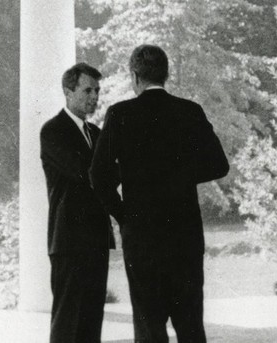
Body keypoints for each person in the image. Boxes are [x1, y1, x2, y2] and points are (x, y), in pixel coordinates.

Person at [90, 45, 229, 343]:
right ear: (166, 74)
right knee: (190, 325)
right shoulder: (190, 111)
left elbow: (98, 175)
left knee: (149, 327)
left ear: (134, 77)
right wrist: (180, 175)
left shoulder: (120, 114)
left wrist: (123, 215)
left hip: (142, 236)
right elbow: (219, 165)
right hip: (185, 235)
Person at [40, 62, 116, 343]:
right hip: (69, 242)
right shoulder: (53, 131)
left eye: (97, 90)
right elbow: (86, 174)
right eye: (87, 90)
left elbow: (107, 179)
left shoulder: (96, 133)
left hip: (97, 239)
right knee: (67, 323)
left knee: (91, 322)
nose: (94, 97)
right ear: (68, 91)